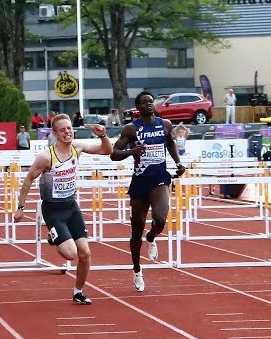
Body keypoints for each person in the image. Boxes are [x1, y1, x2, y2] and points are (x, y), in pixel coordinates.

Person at [13, 114, 113, 304]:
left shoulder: (77, 147)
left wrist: (102, 135)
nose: (67, 132)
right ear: (55, 134)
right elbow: (28, 180)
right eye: (62, 130)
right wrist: (21, 207)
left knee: (85, 254)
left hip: (71, 206)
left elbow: (107, 151)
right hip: (53, 210)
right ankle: (53, 236)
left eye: (69, 128)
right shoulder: (46, 157)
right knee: (71, 253)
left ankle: (78, 292)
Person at [111, 91, 187, 292]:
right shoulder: (131, 129)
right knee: (136, 231)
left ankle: (152, 237)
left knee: (161, 219)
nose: (149, 105)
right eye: (145, 102)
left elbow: (170, 143)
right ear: (138, 108)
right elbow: (114, 154)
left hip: (159, 178)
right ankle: (137, 269)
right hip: (140, 182)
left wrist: (178, 162)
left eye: (151, 102)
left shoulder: (165, 125)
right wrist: (131, 152)